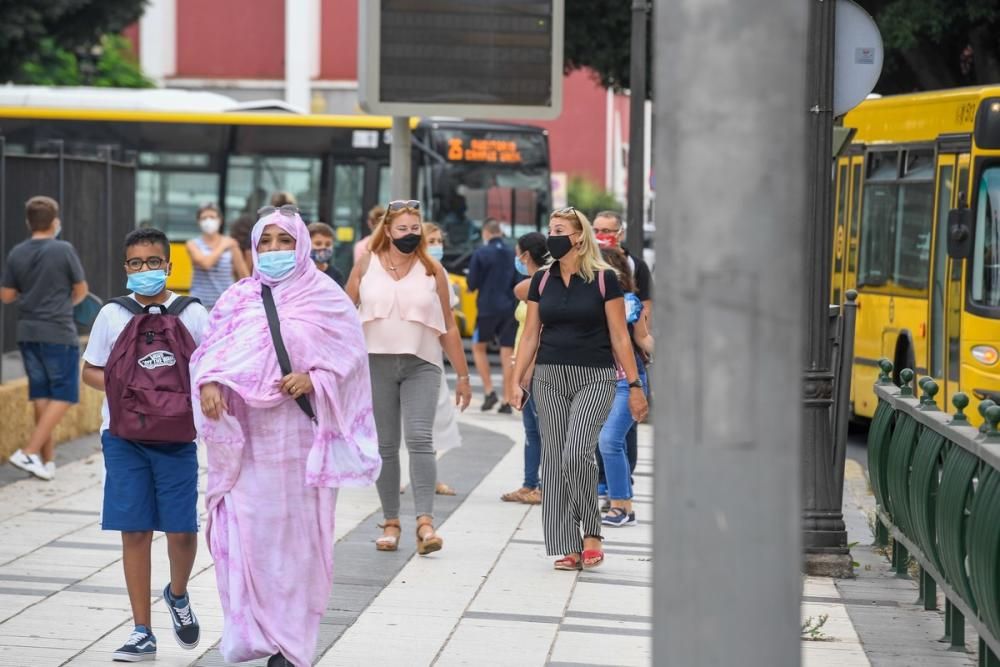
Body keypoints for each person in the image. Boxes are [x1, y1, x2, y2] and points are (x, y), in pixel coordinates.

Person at [191, 206, 380, 667]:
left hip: (300, 445)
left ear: (301, 244)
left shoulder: (326, 297)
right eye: (267, 241)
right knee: (246, 534)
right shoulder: (237, 298)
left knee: (298, 545)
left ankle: (291, 644)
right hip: (247, 446)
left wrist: (314, 379)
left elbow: (351, 358)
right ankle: (251, 632)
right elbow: (209, 352)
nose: (275, 250)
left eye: (284, 240)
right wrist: (211, 383)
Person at [81, 227, 210, 661]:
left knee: (182, 530)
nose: (144, 270)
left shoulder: (192, 313)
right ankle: (141, 630)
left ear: (169, 266)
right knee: (134, 529)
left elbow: (213, 371)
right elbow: (90, 370)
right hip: (123, 436)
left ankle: (177, 594)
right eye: (136, 263)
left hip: (176, 436)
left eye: (153, 262)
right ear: (125, 269)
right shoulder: (112, 315)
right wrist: (129, 391)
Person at [511, 207, 648, 571]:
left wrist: (634, 385)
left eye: (560, 230)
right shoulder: (541, 280)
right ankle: (567, 543)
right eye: (550, 228)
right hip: (549, 376)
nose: (553, 235)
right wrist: (516, 379)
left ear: (579, 236)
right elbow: (530, 335)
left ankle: (592, 533)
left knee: (576, 453)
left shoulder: (605, 280)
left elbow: (620, 336)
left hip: (596, 376)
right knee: (554, 461)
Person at [346, 200, 472, 555]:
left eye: (414, 229)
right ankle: (390, 521)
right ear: (387, 230)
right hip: (376, 364)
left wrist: (462, 375)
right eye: (402, 229)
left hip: (422, 363)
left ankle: (425, 522)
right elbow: (341, 314)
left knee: (420, 438)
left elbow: (448, 324)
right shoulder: (367, 263)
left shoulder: (433, 270)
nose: (409, 235)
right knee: (386, 445)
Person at [1, 196, 88, 481]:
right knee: (64, 393)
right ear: (54, 221)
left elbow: (7, 295)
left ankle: (46, 462)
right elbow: (81, 291)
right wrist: (64, 304)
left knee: (41, 394)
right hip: (59, 331)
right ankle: (28, 451)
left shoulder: (16, 252)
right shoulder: (63, 250)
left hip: (27, 332)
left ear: (29, 222)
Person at [597, 246, 654, 527]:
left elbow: (643, 338)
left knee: (610, 440)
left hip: (626, 380)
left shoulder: (629, 302)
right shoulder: (589, 300)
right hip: (598, 379)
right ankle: (621, 502)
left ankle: (622, 505)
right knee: (604, 441)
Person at [500, 232, 548, 505]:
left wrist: (527, 368)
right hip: (524, 360)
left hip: (536, 364)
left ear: (525, 256)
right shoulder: (539, 282)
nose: (516, 259)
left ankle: (544, 485)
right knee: (531, 429)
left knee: (543, 428)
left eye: (518, 253)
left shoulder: (541, 282)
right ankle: (530, 483)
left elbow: (538, 329)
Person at [423, 221, 459, 496]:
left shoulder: (441, 272)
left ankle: (430, 476)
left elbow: (450, 317)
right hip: (406, 350)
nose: (437, 246)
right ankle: (396, 474)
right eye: (431, 240)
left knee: (434, 416)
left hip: (432, 352)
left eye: (439, 240)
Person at [466, 218, 517, 413]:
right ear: (501, 233)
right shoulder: (513, 253)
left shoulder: (480, 253)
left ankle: (489, 391)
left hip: (487, 308)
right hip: (509, 308)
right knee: (507, 352)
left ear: (486, 233)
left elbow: (472, 284)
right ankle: (507, 400)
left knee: (478, 347)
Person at [186, 203, 250, 309]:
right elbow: (206, 264)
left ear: (220, 220)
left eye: (212, 217)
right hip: (199, 305)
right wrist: (223, 246)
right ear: (199, 222)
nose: (208, 221)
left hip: (226, 305)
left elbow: (244, 275)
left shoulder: (232, 244)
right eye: (204, 218)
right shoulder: (192, 244)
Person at [593, 211, 652, 318]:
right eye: (595, 231)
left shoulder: (636, 265)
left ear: (620, 234)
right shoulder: (585, 262)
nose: (599, 236)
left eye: (606, 231)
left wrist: (641, 333)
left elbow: (645, 306)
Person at [307, 221, 345, 287]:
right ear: (306, 244)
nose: (323, 247)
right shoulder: (296, 272)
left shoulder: (336, 275)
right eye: (318, 244)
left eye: (328, 244)